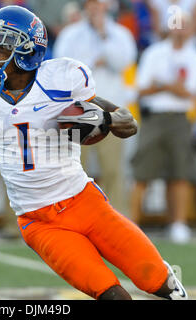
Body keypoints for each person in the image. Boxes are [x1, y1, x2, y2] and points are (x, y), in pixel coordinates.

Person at [0, 5, 188, 300]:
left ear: (26, 49)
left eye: (1, 43)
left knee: (155, 278)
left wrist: (105, 120)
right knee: (112, 295)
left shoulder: (60, 80)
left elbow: (128, 121)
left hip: (85, 203)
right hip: (39, 223)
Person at [53, 0, 137, 215]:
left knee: (113, 170)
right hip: (76, 112)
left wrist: (102, 35)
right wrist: (93, 60)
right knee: (74, 171)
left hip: (110, 111)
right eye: (91, 3)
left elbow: (123, 62)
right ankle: (74, 218)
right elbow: (62, 69)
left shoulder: (120, 34)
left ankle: (118, 219)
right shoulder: (71, 34)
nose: (95, 8)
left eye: (98, 3)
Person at [130, 12, 196, 244]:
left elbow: (191, 92)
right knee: (142, 172)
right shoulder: (154, 52)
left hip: (180, 117)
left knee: (179, 173)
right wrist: (172, 87)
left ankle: (178, 223)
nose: (179, 30)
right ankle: (131, 223)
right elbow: (141, 89)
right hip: (154, 117)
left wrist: (162, 85)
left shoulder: (194, 56)